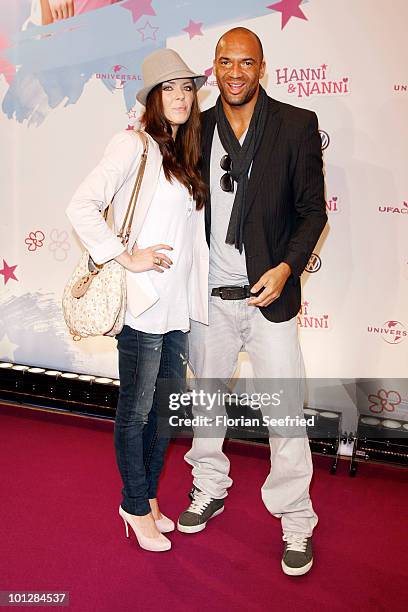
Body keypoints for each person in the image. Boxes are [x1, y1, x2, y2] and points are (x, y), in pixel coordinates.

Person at [177, 27, 327, 576]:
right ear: (213, 66)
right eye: (224, 61)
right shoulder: (195, 128)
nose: (234, 71)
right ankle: (209, 486)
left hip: (272, 298)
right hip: (211, 300)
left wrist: (286, 268)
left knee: (285, 415)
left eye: (246, 62)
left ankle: (295, 518)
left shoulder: (296, 125)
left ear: (262, 66)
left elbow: (313, 211)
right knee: (206, 406)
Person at [66, 48, 208, 552]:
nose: (180, 96)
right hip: (142, 303)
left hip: (176, 309)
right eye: (169, 88)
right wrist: (124, 256)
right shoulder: (133, 145)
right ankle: (133, 502)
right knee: (137, 410)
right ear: (150, 97)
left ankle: (146, 499)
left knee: (165, 412)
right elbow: (81, 204)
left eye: (187, 87)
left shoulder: (183, 154)